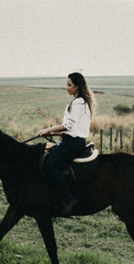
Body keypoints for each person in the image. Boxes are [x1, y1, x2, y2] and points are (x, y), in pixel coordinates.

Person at [38, 72, 94, 215]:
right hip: (74, 140)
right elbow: (72, 129)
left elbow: (68, 126)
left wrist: (48, 129)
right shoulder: (81, 103)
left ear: (77, 87)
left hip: (73, 143)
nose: (66, 88)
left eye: (69, 85)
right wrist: (52, 134)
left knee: (50, 164)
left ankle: (68, 199)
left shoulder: (78, 103)